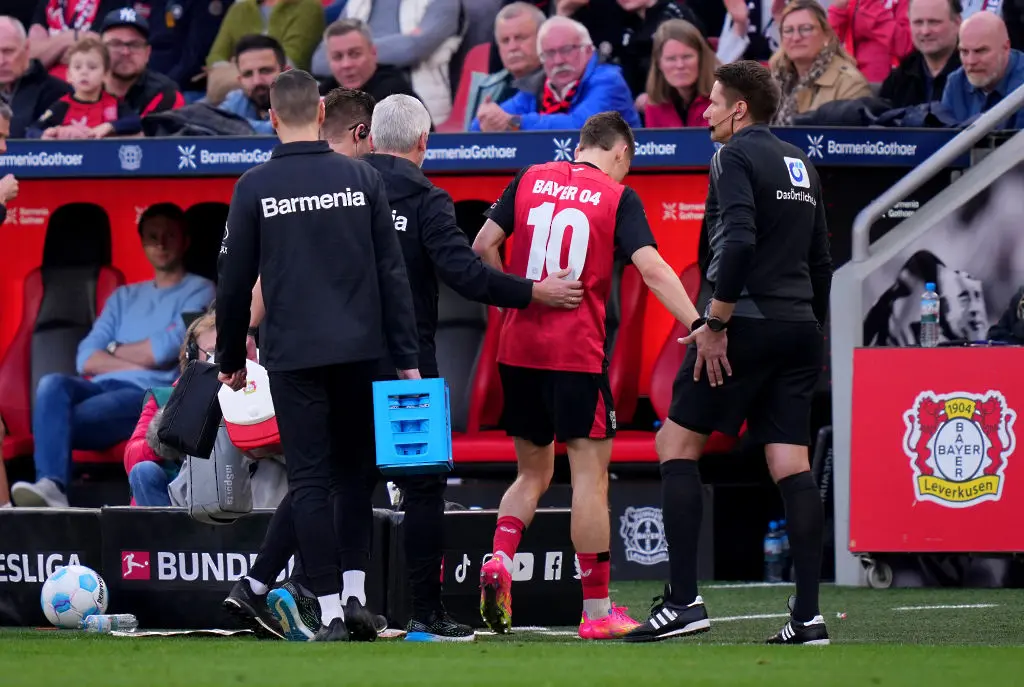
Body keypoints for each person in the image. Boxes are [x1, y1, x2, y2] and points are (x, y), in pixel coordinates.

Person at [471, 111, 704, 640]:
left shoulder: (529, 178)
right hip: (576, 354)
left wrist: (522, 290)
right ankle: (597, 613)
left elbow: (481, 246)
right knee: (589, 479)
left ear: (581, 144)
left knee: (531, 474)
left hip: (518, 348)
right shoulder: (618, 197)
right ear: (622, 153)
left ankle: (501, 559)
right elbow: (652, 269)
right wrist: (697, 322)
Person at [361, 92, 585, 642]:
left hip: (338, 361)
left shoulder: (342, 191)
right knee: (423, 489)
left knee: (338, 481)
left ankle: (332, 601)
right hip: (406, 366)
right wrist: (536, 291)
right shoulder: (426, 196)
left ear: (368, 138)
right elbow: (466, 274)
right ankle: (422, 615)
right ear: (422, 143)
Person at [623, 61, 833, 645]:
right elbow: (820, 261)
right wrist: (811, 323)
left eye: (714, 102)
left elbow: (737, 241)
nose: (706, 111)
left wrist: (715, 321)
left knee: (674, 443)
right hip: (797, 329)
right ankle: (809, 617)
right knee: (789, 462)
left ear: (740, 108)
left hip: (745, 325)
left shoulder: (731, 156)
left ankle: (684, 603)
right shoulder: (801, 163)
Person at [215, 69, 420, 643]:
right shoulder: (363, 180)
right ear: (323, 108)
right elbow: (392, 275)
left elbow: (233, 286)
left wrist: (230, 355)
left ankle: (330, 611)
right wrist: (407, 357)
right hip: (361, 351)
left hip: (294, 355)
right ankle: (355, 597)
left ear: (272, 118)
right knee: (355, 476)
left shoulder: (253, 186)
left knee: (309, 481)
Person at [11, 203, 215, 508]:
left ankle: (53, 479)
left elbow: (162, 351)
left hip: (144, 394)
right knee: (51, 384)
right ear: (142, 242)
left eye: (169, 235)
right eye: (152, 236)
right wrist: (137, 355)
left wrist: (113, 349)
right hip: (100, 386)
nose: (160, 243)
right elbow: (84, 357)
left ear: (184, 241)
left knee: (58, 418)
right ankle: (51, 487)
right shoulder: (123, 296)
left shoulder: (200, 289)